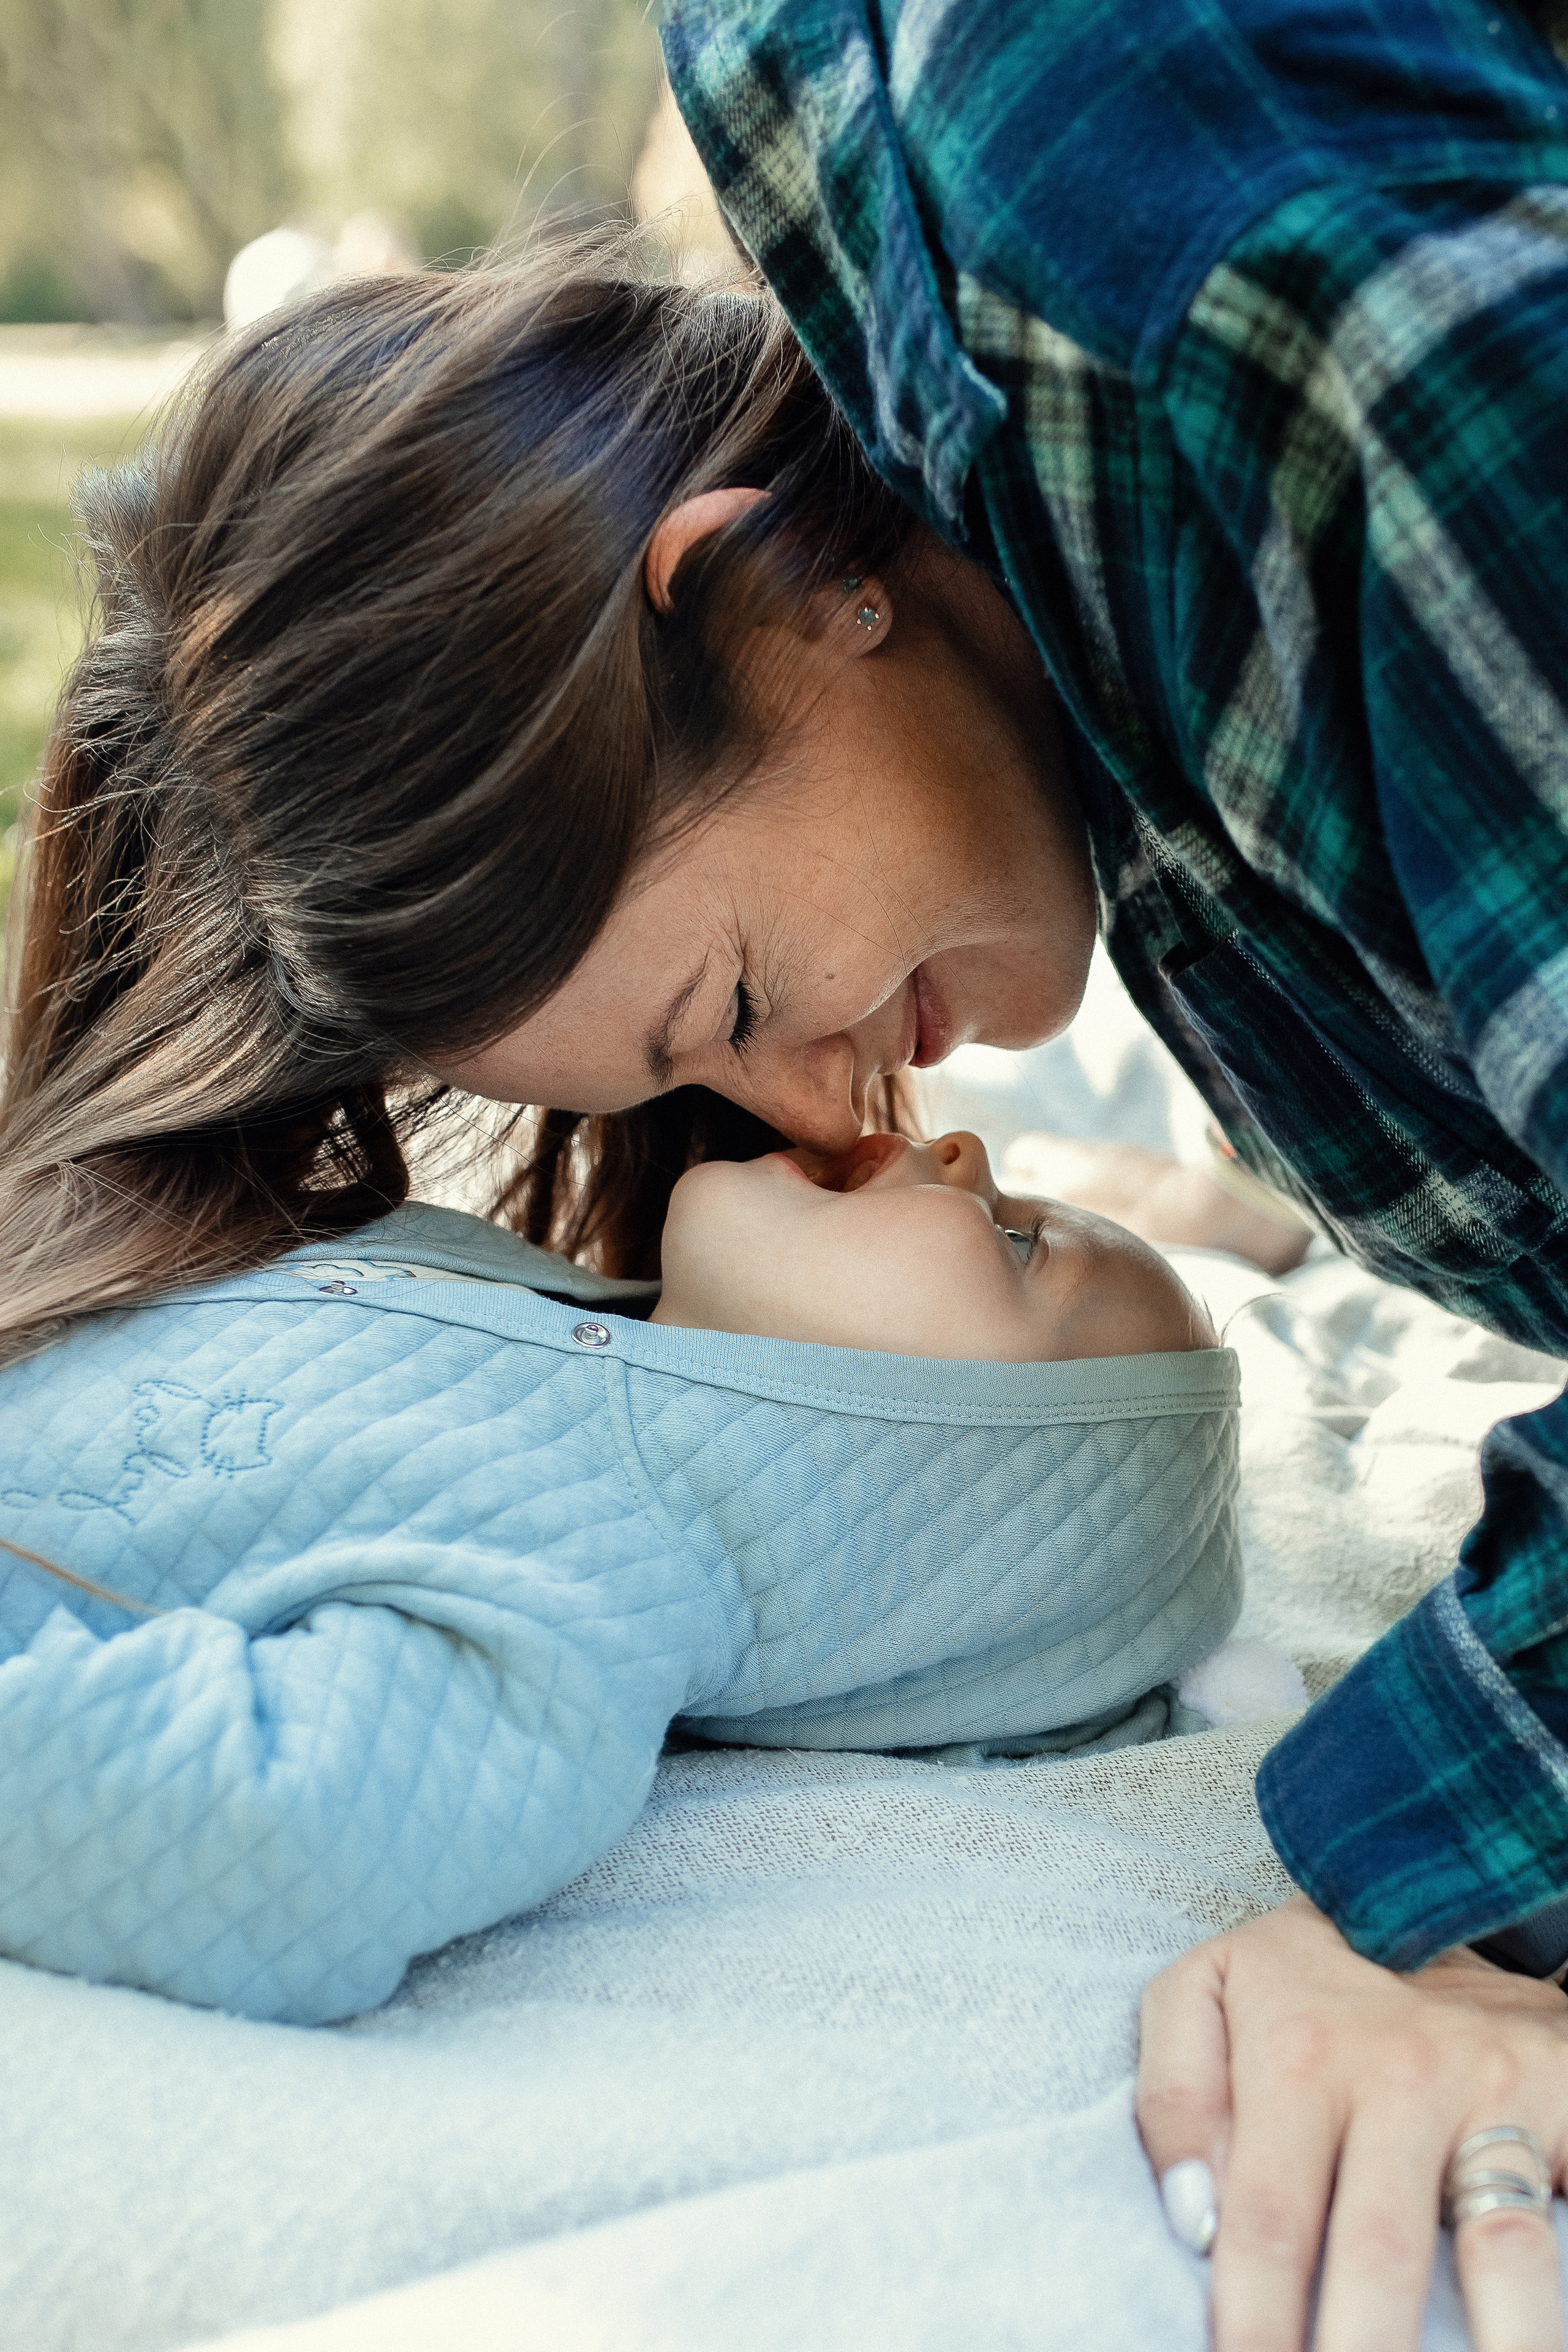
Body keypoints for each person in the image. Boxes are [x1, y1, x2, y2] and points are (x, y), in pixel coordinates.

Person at [651, 1, 1568, 2343]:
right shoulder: (1050, 519)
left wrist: (1431, 1888)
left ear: (758, 591)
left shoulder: (1211, 272)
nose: (839, 1113)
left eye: (740, 1007)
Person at [0, 1115, 1238, 2022]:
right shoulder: (533, 1306)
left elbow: (270, 1842)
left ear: (938, 1497)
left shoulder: (605, 1585)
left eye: (1021, 1248)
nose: (964, 1144)